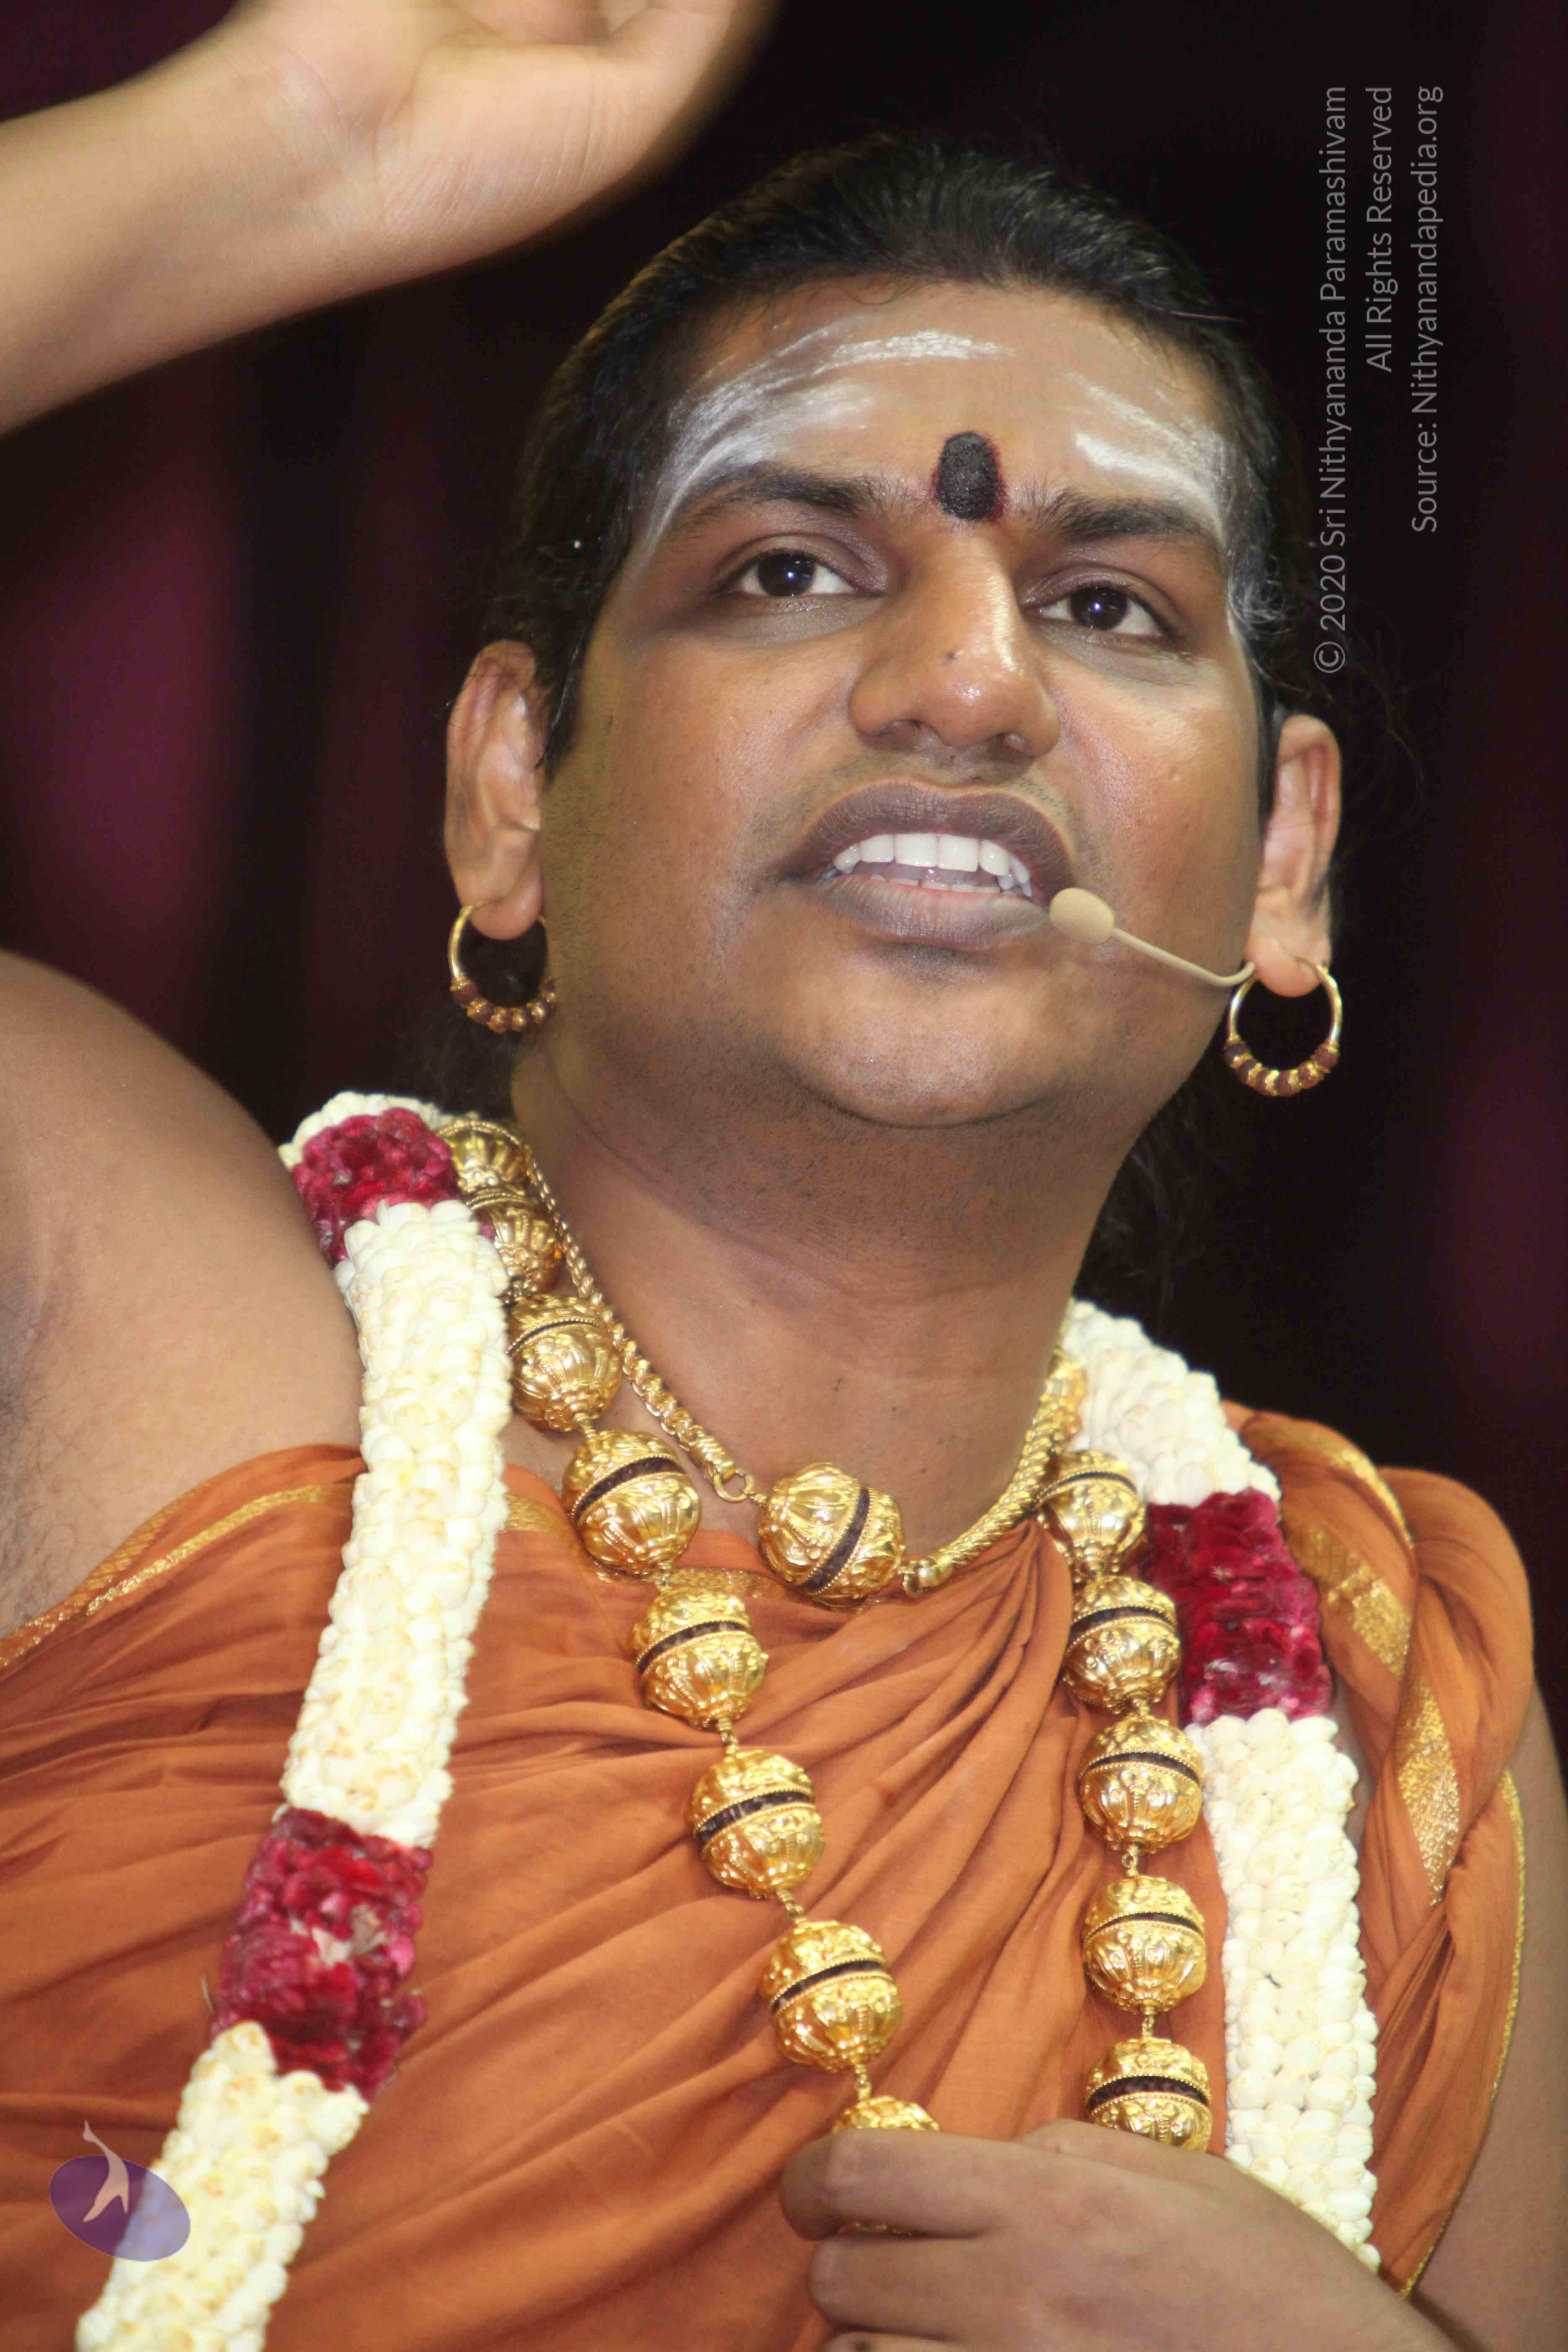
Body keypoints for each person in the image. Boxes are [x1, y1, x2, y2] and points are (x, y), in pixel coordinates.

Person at [0, 7, 1563, 2350]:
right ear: (512, 789)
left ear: (1284, 865)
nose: (968, 684)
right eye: (792, 571)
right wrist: (274, 144)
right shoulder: (148, 1342)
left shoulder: (1371, 1732)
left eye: (1110, 606)